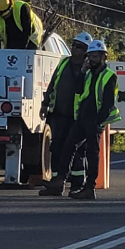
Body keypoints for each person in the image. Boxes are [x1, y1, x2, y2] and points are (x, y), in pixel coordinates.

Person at [44, 39, 120, 201]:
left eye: (95, 56)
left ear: (103, 57)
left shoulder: (109, 76)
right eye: (90, 56)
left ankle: (89, 187)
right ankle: (60, 181)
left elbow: (107, 103)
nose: (91, 59)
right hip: (82, 119)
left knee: (92, 154)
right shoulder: (88, 73)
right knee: (68, 147)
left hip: (95, 121)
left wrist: (98, 122)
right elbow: (79, 90)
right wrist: (81, 73)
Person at [38, 31, 93, 197]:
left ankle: (77, 184)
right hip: (59, 114)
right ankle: (56, 184)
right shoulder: (63, 63)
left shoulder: (89, 69)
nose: (75, 49)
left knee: (76, 152)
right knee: (57, 149)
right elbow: (53, 83)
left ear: (86, 51)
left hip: (77, 118)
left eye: (79, 47)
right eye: (74, 45)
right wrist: (45, 103)